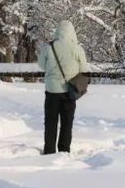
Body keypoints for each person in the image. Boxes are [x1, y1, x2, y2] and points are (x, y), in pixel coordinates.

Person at [37, 20, 88, 154]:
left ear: (57, 31)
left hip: (51, 90)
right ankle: (64, 150)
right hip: (69, 90)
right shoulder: (77, 48)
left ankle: (49, 150)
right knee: (67, 123)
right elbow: (84, 68)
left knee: (50, 122)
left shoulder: (49, 47)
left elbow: (41, 65)